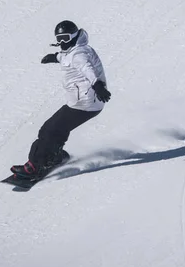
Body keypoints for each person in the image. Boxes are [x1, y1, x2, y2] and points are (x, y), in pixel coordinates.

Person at [11, 20, 111, 179]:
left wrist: (97, 85)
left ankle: (35, 166)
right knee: (56, 129)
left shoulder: (79, 54)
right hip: (84, 101)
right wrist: (56, 57)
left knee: (49, 130)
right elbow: (68, 57)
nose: (62, 42)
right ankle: (53, 156)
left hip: (85, 104)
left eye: (65, 38)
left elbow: (86, 68)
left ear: (73, 35)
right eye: (59, 39)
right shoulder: (77, 48)